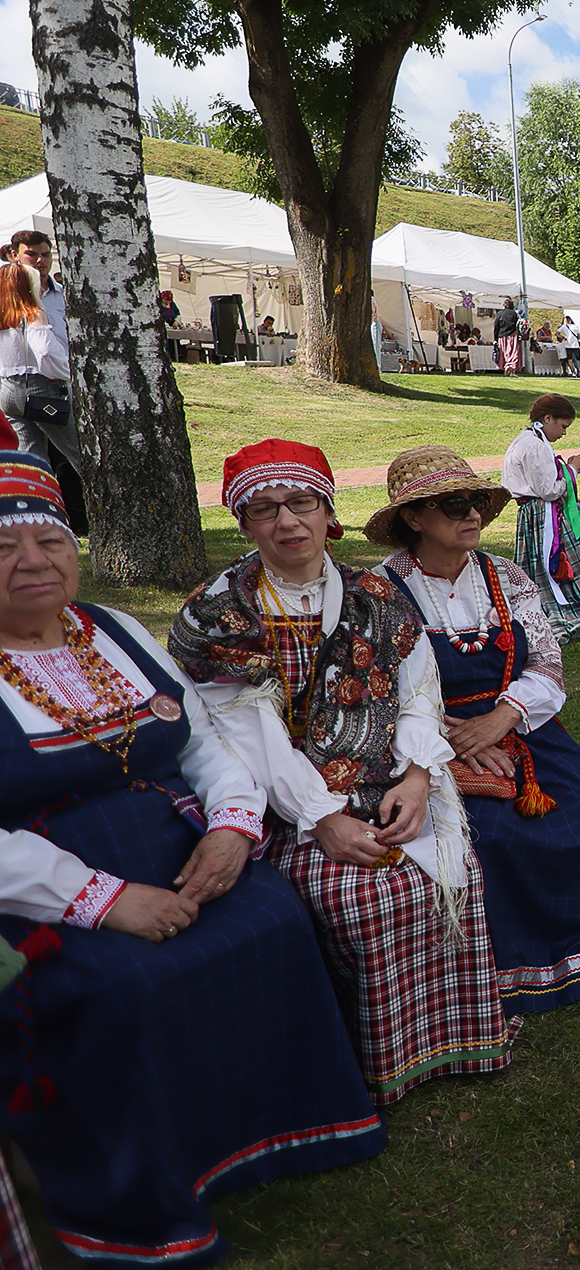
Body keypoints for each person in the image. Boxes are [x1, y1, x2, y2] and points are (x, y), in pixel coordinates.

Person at [0, 452, 385, 1266]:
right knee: (122, 984)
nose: (34, 561)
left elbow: (202, 741)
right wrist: (105, 899)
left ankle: (283, 1130)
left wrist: (233, 826)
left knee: (277, 918)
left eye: (51, 540)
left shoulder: (113, 629)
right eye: (4, 548)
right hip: (42, 891)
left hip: (182, 848)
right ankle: (143, 1189)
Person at [168, 440, 516, 1104]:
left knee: (452, 868)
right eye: (265, 509)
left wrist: (418, 779)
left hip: (388, 775)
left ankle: (456, 1039)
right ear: (243, 524)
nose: (287, 521)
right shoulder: (219, 614)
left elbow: (418, 692)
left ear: (328, 513)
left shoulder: (374, 596)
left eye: (302, 502)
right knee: (356, 894)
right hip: (280, 797)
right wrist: (322, 817)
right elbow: (247, 737)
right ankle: (374, 1057)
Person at [367, 447, 580, 1012]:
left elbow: (548, 662)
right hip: (427, 737)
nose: (472, 515)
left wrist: (504, 717)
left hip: (518, 722)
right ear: (413, 518)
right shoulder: (381, 590)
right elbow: (380, 688)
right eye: (453, 504)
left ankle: (565, 933)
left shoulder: (505, 575)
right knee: (490, 829)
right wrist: (450, 739)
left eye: (477, 503)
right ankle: (497, 959)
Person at [501, 394, 580, 640]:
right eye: (563, 426)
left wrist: (568, 466)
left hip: (540, 514)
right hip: (545, 516)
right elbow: (549, 490)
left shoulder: (530, 440)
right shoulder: (533, 445)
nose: (564, 432)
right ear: (547, 418)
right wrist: (574, 469)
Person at [0, 265, 75, 474]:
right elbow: (45, 350)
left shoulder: (4, 317)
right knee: (79, 452)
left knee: (30, 461)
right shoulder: (33, 314)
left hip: (8, 392)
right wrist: (66, 374)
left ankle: (33, 494)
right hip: (41, 389)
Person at [494, 298, 523, 376]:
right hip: (512, 336)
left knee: (503, 353)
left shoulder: (499, 314)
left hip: (502, 336)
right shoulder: (514, 314)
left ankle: (506, 366)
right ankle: (512, 369)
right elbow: (518, 325)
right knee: (513, 352)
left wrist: (495, 338)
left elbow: (496, 327)